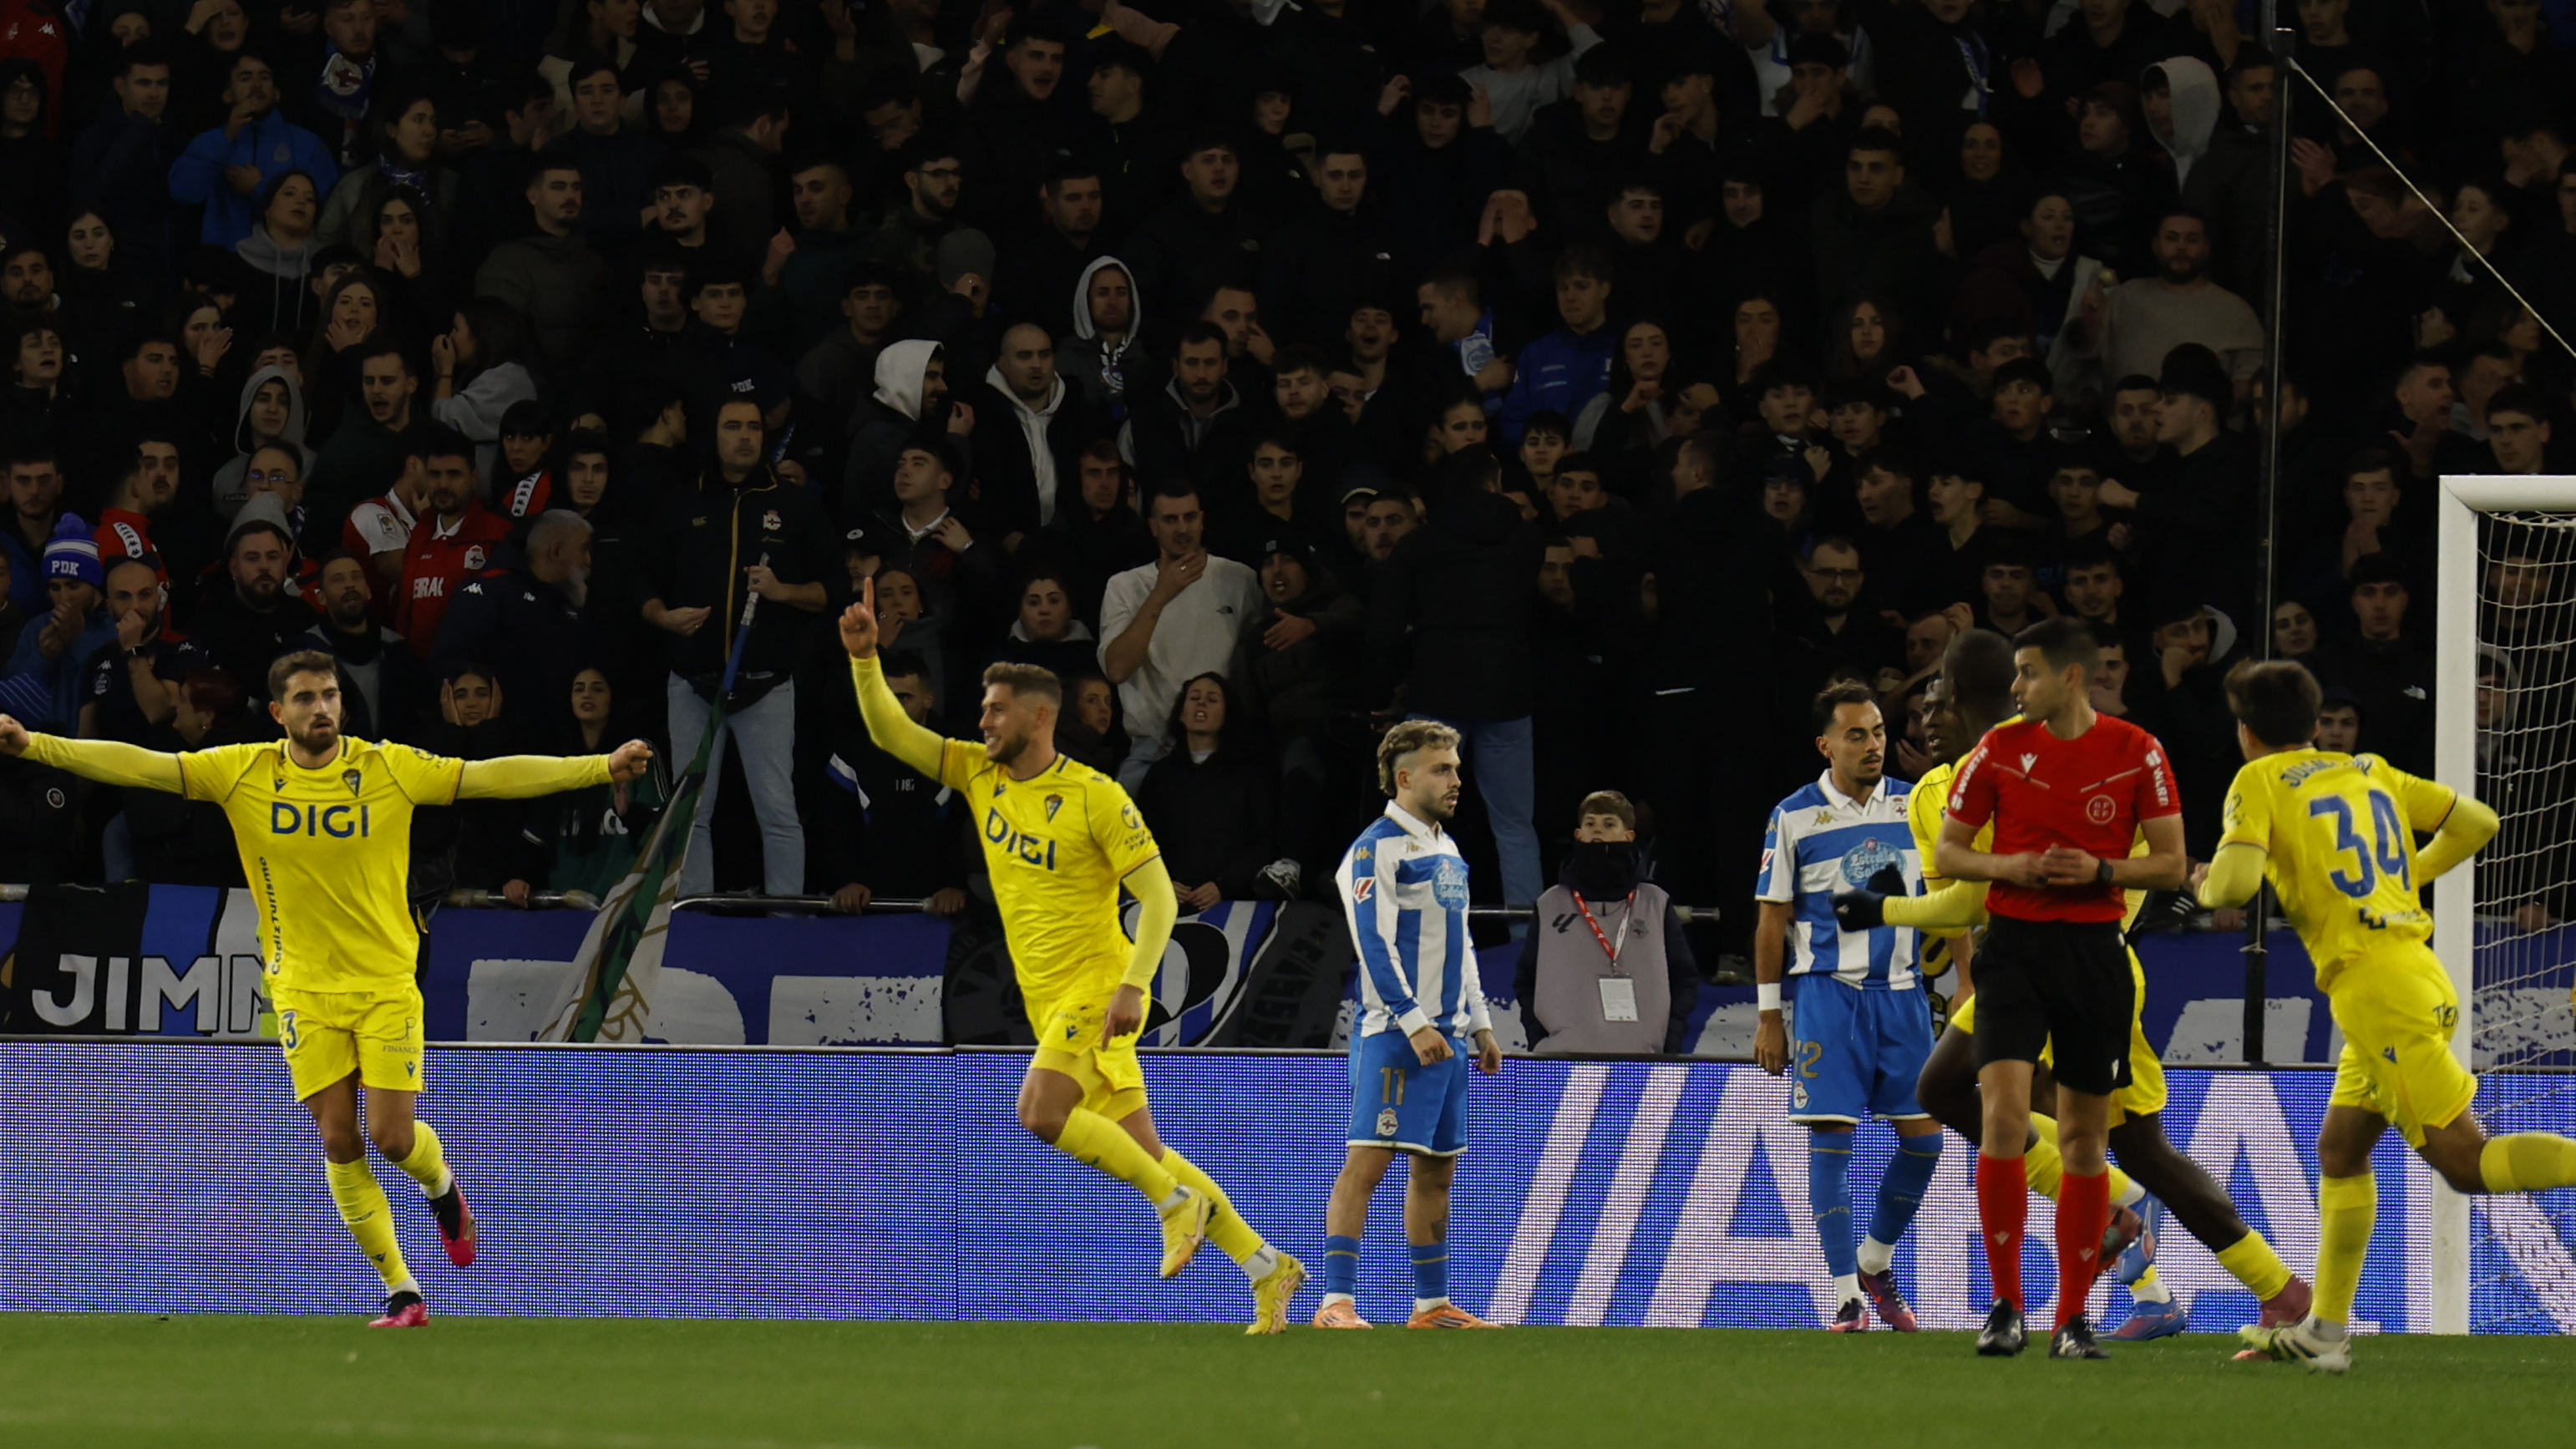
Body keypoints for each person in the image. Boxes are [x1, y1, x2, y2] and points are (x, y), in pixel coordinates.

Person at [0, 652, 651, 1326]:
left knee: (392, 1137)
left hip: (384, 981)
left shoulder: (389, 766)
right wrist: (35, 745)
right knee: (340, 1139)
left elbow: (493, 777)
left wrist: (599, 766)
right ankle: (402, 1288)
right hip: (302, 989)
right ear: (279, 712)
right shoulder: (243, 770)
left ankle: (441, 1185)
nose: (322, 707)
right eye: (306, 697)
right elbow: (137, 764)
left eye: (331, 695)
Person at [839, 582, 1305, 1330]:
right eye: (984, 709)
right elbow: (894, 734)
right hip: (1046, 997)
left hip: (1098, 985)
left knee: (1041, 1110)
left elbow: (1157, 898)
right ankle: (1269, 1268)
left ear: (1039, 716)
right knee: (1142, 1144)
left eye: (995, 708)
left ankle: (1171, 1204)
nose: (982, 720)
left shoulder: (1095, 796)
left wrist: (1134, 985)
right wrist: (864, 658)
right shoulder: (976, 772)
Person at [1850, 627, 2312, 1341]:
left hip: (2094, 962)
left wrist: (1888, 908)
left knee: (2137, 1146)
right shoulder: (1969, 773)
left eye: (1938, 694)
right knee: (1946, 1086)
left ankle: (2271, 1284)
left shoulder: (2089, 753)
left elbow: (1982, 897)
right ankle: (2099, 1236)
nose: (1926, 713)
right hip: (2017, 957)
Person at [2212, 661, 2576, 1373]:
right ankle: (2325, 1330)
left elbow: (2233, 883)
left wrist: (2206, 874)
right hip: (2413, 968)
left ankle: (2324, 1328)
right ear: (2316, 725)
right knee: (2341, 1150)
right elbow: (2479, 821)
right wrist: (2406, 876)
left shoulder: (2255, 781)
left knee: (2465, 1164)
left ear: (2246, 733)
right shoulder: (2368, 767)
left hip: (2379, 991)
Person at [1912, 618, 2187, 1358]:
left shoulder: (2137, 751)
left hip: (2094, 955)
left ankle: (2072, 1316)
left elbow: (2170, 864)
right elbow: (1951, 849)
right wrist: (2016, 867)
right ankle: (2005, 1307)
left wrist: (2101, 872)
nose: (2014, 687)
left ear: (2072, 676)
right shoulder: (1998, 750)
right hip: (2015, 950)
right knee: (2001, 1119)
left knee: (2083, 1139)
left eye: (2026, 672)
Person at [1752, 681, 1940, 1332]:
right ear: (1825, 744)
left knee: (1927, 1142)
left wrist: (1967, 982)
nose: (1873, 745)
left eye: (1880, 731)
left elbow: (1955, 898)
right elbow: (1771, 920)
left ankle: (1874, 1260)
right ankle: (1845, 1297)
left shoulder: (1918, 806)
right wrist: (1770, 1014)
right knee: (1831, 1143)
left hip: (1905, 996)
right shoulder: (1795, 815)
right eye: (1856, 734)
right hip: (1829, 997)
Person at [1316, 719, 1503, 1330]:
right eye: (1441, 768)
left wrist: (1478, 1022)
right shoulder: (1374, 850)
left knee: (1436, 1167)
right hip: (1396, 1033)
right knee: (1367, 1163)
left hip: (1445, 1035)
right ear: (1404, 777)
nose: (1455, 779)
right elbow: (1373, 942)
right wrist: (1415, 1021)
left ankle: (1431, 1304)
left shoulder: (1446, 849)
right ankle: (1335, 1301)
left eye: (1455, 766)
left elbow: (1461, 941)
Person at [1098, 484, 1264, 787]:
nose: (1182, 528)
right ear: (1153, 527)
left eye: (1189, 517)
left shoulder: (1239, 579)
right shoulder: (1124, 587)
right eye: (1171, 520)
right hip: (1153, 748)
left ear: (1202, 521)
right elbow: (1117, 668)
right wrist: (1162, 593)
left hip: (1225, 748)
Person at [1515, 790, 1696, 1055]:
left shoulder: (1656, 903)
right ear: (1578, 834)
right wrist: (1540, 1038)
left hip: (1643, 1061)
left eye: (1609, 824)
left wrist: (1667, 1043)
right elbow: (1525, 980)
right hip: (1561, 1058)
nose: (1597, 831)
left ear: (1629, 836)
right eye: (1590, 824)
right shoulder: (1550, 904)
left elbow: (1684, 979)